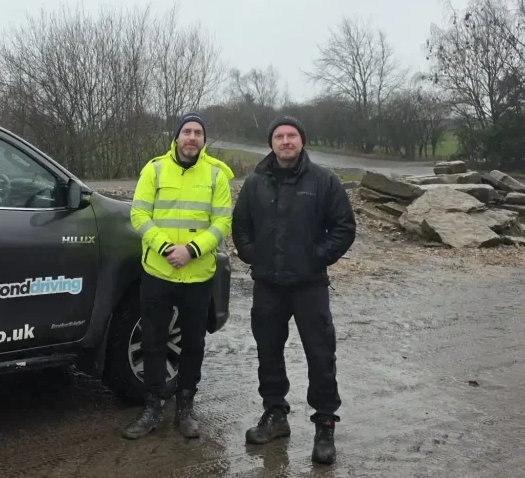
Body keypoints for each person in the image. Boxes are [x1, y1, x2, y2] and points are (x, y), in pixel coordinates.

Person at [232, 115, 356, 465]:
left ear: (302, 141)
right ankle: (275, 414)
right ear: (271, 143)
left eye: (292, 136)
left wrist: (316, 257)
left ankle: (325, 423)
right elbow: (240, 225)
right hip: (268, 285)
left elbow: (344, 227)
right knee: (268, 352)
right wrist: (254, 255)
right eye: (279, 136)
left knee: (320, 355)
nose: (286, 141)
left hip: (309, 285)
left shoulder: (323, 181)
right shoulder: (255, 182)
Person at [123, 112, 234, 440]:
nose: (192, 137)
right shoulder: (154, 169)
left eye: (198, 132)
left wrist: (192, 251)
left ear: (203, 140)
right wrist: (166, 247)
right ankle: (153, 407)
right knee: (153, 342)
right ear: (176, 137)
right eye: (187, 131)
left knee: (193, 343)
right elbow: (138, 213)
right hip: (158, 271)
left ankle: (185, 407)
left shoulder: (216, 175)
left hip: (198, 275)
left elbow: (222, 221)